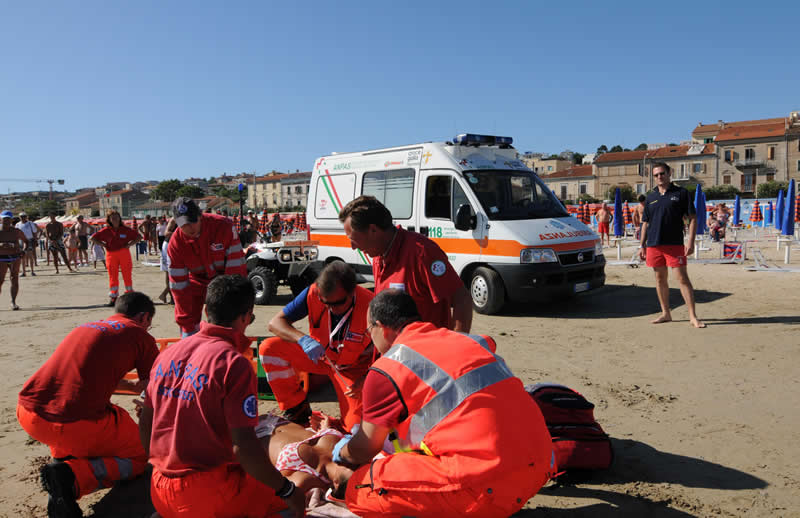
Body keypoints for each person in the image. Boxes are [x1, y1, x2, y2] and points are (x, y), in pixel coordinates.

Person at [332, 290, 554, 517]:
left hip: (487, 488)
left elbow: (366, 448)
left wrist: (342, 452)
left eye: (370, 331)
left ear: (381, 327)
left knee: (361, 486)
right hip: (540, 465)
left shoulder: (387, 368)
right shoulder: (471, 341)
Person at [139, 275, 305, 518]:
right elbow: (244, 447)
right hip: (207, 493)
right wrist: (288, 490)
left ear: (206, 310)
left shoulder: (169, 353)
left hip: (160, 487)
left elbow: (146, 423)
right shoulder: (233, 363)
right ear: (246, 316)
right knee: (288, 506)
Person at [17, 293, 158, 518]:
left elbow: (81, 377)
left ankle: (63, 466)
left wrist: (130, 386)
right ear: (143, 317)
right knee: (140, 456)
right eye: (149, 324)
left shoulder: (87, 327)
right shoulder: (140, 335)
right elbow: (155, 387)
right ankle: (73, 478)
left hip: (30, 414)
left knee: (81, 421)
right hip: (72, 424)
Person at [260, 260, 375, 431]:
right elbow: (275, 323)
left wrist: (365, 380)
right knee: (269, 349)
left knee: (355, 429)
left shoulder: (371, 304)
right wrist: (302, 339)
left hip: (353, 371)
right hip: (320, 357)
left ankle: (332, 422)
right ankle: (298, 411)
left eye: (337, 304)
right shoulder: (313, 293)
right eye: (325, 302)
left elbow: (391, 352)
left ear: (353, 292)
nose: (331, 308)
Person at [338, 195, 472, 332]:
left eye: (353, 239)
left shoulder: (422, 253)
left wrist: (456, 344)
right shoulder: (379, 256)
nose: (353, 246)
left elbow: (462, 299)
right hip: (395, 351)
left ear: (373, 230)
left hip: (423, 350)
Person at [638, 162, 705, 328]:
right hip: (654, 244)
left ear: (669, 173)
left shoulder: (681, 193)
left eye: (662, 173)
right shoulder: (651, 197)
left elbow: (693, 218)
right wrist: (642, 245)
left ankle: (693, 316)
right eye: (656, 175)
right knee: (660, 279)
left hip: (674, 244)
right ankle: (666, 313)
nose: (659, 177)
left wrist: (690, 242)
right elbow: (645, 222)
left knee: (682, 279)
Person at [167, 197, 247, 337]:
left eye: (193, 222)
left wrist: (231, 312)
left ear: (200, 216)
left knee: (229, 320)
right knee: (188, 326)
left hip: (226, 281)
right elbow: (179, 288)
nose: (189, 228)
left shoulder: (224, 227)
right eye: (184, 224)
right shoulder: (175, 244)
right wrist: (187, 325)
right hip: (196, 283)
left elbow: (236, 273)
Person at [257, 413, 353, 496]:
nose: (355, 468)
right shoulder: (349, 455)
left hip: (253, 438)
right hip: (274, 420)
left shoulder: (306, 480)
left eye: (353, 473)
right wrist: (326, 428)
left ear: (336, 484)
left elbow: (277, 488)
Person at [91, 210, 141, 307]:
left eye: (116, 217)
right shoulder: (106, 230)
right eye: (112, 218)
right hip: (111, 255)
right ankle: (113, 298)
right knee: (112, 276)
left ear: (119, 218)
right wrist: (103, 245)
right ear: (109, 220)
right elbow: (92, 238)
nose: (115, 219)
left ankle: (129, 296)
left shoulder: (126, 229)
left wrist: (130, 244)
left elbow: (139, 237)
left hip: (124, 253)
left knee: (127, 274)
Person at [1, 211, 28, 310]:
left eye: (8, 219)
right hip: (1, 258)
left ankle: (13, 302)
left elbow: (26, 241)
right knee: (0, 280)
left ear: (12, 220)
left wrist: (24, 251)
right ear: (1, 219)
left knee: (14, 279)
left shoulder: (16, 231)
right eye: (4, 219)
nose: (6, 221)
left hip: (14, 257)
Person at [157, 218, 177, 305]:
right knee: (169, 272)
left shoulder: (192, 218)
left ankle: (165, 294)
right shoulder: (175, 219)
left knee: (174, 271)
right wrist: (180, 234)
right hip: (169, 245)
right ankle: (171, 297)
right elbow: (166, 233)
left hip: (178, 245)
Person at [15, 211, 40, 277]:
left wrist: (35, 240)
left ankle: (32, 271)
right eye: (21, 217)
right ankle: (24, 272)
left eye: (24, 216)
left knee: (30, 255)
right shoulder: (17, 224)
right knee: (22, 257)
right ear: (19, 217)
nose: (23, 218)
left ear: (26, 217)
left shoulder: (30, 223)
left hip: (29, 240)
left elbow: (35, 232)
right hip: (21, 241)